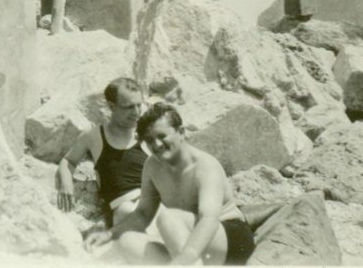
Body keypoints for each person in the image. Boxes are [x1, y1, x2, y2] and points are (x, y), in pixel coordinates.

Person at [85, 103, 255, 266]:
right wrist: (109, 233)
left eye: (162, 136)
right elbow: (143, 214)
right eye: (150, 140)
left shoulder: (205, 166)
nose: (157, 145)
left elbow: (208, 219)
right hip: (192, 243)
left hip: (228, 238)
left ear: (181, 132)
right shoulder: (152, 166)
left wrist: (185, 259)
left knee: (168, 218)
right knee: (125, 241)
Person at [55, 77, 146, 225]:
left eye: (139, 105)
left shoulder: (148, 133)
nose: (136, 112)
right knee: (129, 210)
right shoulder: (94, 136)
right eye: (128, 107)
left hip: (153, 204)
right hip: (124, 209)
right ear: (112, 106)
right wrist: (66, 184)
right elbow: (68, 161)